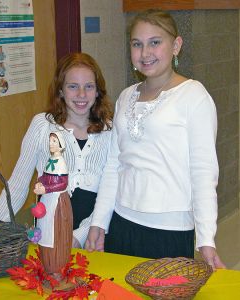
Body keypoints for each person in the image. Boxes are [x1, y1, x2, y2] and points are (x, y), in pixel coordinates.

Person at [85, 9, 226, 270]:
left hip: (169, 229)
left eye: (155, 42)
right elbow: (114, 166)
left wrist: (206, 238)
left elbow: (204, 172)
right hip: (122, 221)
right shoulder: (127, 96)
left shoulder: (194, 97)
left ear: (176, 45)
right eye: (137, 44)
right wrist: (99, 221)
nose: (145, 52)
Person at [0, 52, 113, 249]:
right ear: (60, 90)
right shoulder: (42, 126)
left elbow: (110, 194)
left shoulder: (110, 132)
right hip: (48, 238)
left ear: (98, 91)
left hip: (93, 240)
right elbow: (18, 185)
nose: (81, 94)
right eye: (73, 86)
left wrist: (78, 237)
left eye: (89, 86)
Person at [34, 132, 73, 276]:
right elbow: (44, 177)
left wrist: (47, 188)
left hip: (58, 204)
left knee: (56, 235)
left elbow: (63, 183)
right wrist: (39, 183)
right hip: (46, 201)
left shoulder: (61, 163)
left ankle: (57, 268)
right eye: (50, 141)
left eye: (54, 141)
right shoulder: (49, 160)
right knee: (44, 231)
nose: (51, 144)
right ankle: (47, 266)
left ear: (61, 145)